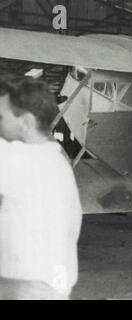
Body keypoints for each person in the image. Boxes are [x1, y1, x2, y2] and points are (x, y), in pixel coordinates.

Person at [0, 74, 82, 299]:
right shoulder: (55, 160)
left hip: (26, 286)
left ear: (25, 123)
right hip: (50, 283)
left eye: (0, 117)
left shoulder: (21, 159)